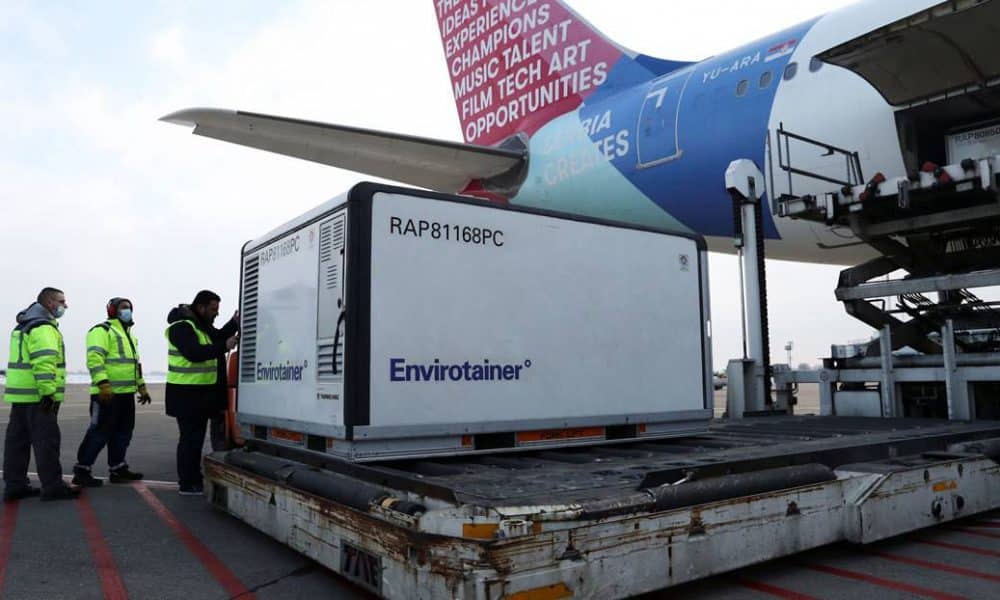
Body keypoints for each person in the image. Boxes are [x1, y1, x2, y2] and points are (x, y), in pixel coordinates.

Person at [3, 288, 79, 501]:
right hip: (38, 396)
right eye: (61, 301)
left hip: (20, 396)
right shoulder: (43, 327)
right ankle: (53, 486)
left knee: (17, 442)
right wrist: (48, 393)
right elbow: (44, 361)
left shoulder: (23, 325)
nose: (66, 305)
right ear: (48, 302)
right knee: (46, 441)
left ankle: (15, 484)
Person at [71, 297, 151, 487]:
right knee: (99, 432)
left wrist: (141, 386)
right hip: (106, 394)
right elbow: (94, 358)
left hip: (126, 394)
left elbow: (134, 365)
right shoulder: (102, 330)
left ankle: (118, 468)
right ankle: (82, 470)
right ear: (113, 310)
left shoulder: (129, 334)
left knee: (123, 432)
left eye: (130, 308)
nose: (128, 311)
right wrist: (103, 383)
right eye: (123, 307)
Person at [165, 290, 238, 495]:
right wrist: (224, 346)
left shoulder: (201, 327)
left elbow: (218, 336)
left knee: (195, 440)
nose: (216, 313)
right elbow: (194, 353)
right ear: (201, 307)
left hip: (199, 396)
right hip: (185, 396)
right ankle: (187, 483)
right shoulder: (181, 328)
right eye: (213, 309)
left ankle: (193, 478)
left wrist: (234, 322)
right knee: (189, 440)